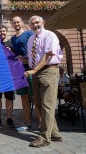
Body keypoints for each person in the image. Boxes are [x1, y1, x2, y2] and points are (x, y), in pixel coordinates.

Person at [25, 15, 63, 147]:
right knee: (40, 104)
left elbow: (48, 55)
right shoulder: (31, 39)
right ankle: (54, 133)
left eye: (37, 22)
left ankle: (44, 137)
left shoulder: (50, 35)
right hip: (36, 72)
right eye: (32, 23)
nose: (35, 25)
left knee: (47, 104)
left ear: (43, 22)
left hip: (49, 70)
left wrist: (34, 70)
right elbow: (33, 56)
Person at [10, 16, 37, 132]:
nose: (16, 24)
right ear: (12, 24)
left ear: (21, 22)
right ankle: (27, 123)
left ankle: (42, 125)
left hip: (31, 68)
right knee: (24, 98)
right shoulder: (12, 39)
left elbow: (35, 49)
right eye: (14, 22)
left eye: (18, 22)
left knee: (35, 98)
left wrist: (26, 58)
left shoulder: (29, 34)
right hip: (20, 71)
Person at [0, 26, 15, 128]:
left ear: (6, 32)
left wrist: (11, 51)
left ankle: (9, 119)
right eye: (0, 31)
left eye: (3, 31)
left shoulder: (11, 44)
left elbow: (16, 58)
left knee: (9, 98)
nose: (2, 33)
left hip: (8, 75)